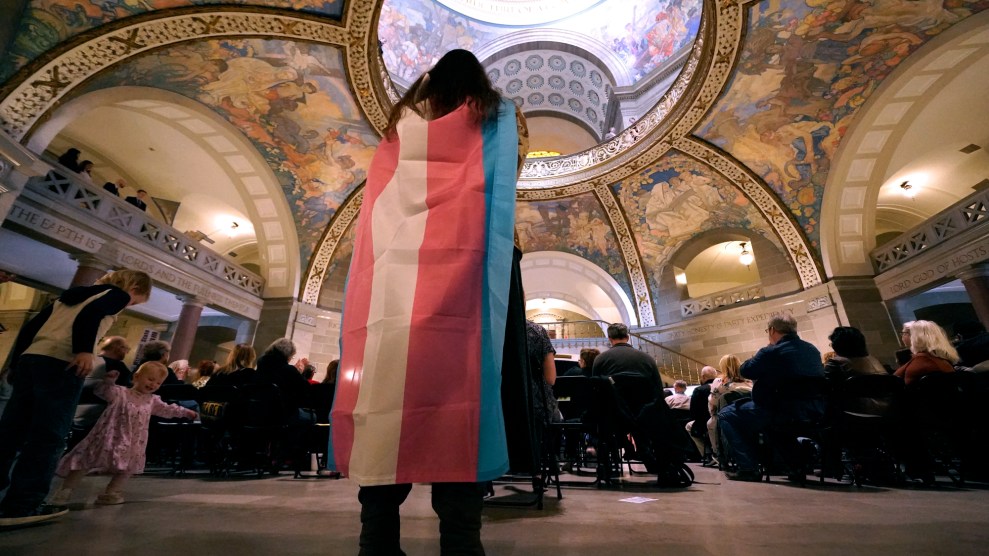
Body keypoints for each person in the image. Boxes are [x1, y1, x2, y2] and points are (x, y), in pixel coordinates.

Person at [329, 48, 526, 555]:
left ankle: (376, 541)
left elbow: (382, 200)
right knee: (461, 401)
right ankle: (461, 541)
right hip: (467, 272)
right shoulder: (497, 115)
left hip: (393, 282)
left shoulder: (401, 129)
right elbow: (505, 184)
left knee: (385, 402)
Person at [0, 269, 151, 526]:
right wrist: (83, 350)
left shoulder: (69, 297)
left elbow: (31, 327)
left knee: (12, 432)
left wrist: (16, 363)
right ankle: (23, 504)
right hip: (62, 363)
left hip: (32, 359)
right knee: (49, 436)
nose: (131, 304)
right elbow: (91, 315)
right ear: (134, 288)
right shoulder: (118, 295)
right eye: (137, 300)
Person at [51, 362, 196, 506]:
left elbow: (168, 409)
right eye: (150, 379)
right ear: (137, 376)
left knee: (127, 467)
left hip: (133, 440)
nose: (153, 384)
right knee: (84, 460)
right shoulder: (120, 393)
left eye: (158, 383)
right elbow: (102, 391)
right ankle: (66, 490)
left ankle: (112, 492)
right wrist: (109, 381)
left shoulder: (152, 401)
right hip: (107, 435)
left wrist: (185, 412)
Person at [718, 314, 824, 481]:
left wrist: (766, 349)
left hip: (777, 410)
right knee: (774, 423)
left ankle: (748, 467)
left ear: (772, 330)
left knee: (726, 414)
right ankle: (795, 466)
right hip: (812, 411)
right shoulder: (812, 350)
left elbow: (745, 370)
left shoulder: (771, 352)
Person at [72, 336, 133, 440]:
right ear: (119, 348)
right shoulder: (118, 366)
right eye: (126, 349)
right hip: (97, 415)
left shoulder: (86, 360)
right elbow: (128, 390)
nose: (126, 353)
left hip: (73, 409)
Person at [591, 322, 663, 400]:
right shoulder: (647, 358)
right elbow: (658, 389)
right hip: (644, 408)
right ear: (628, 337)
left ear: (610, 339)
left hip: (613, 409)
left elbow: (596, 389)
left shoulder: (600, 359)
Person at [707, 354, 751, 466]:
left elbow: (713, 402)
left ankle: (718, 454)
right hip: (749, 416)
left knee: (711, 423)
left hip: (726, 417)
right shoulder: (749, 382)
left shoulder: (719, 383)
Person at [894, 320, 958, 385]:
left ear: (915, 337)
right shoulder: (940, 357)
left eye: (904, 333)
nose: (902, 337)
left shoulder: (922, 362)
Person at [685, 366, 718, 463]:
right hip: (723, 419)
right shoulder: (721, 387)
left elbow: (694, 412)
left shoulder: (699, 390)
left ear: (703, 377)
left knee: (689, 426)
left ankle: (707, 453)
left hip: (705, 423)